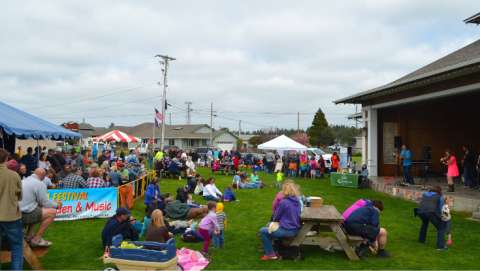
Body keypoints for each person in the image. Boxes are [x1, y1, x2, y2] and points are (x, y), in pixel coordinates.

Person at [259, 181, 301, 260]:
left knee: (263, 231)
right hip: (295, 228)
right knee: (268, 228)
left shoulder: (284, 202)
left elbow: (276, 217)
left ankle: (270, 254)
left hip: (287, 230)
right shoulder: (297, 201)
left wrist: (275, 221)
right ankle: (272, 248)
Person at [19, 168, 61, 247]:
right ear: (43, 177)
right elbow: (45, 203)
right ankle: (36, 239)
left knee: (37, 208)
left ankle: (29, 236)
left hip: (16, 213)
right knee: (52, 212)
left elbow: (41, 202)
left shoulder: (23, 181)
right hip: (24, 214)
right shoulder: (40, 184)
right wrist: (57, 205)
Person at [0, 148, 24, 270]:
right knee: (17, 247)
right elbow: (20, 196)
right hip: (11, 216)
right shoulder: (14, 175)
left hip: (9, 215)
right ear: (6, 159)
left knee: (16, 246)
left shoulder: (13, 175)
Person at [416, 186, 447, 250]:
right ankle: (440, 246)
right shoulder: (440, 197)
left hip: (420, 212)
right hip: (430, 212)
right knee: (441, 228)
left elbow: (422, 203)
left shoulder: (424, 194)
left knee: (424, 223)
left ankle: (421, 240)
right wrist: (444, 218)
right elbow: (442, 209)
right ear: (439, 191)